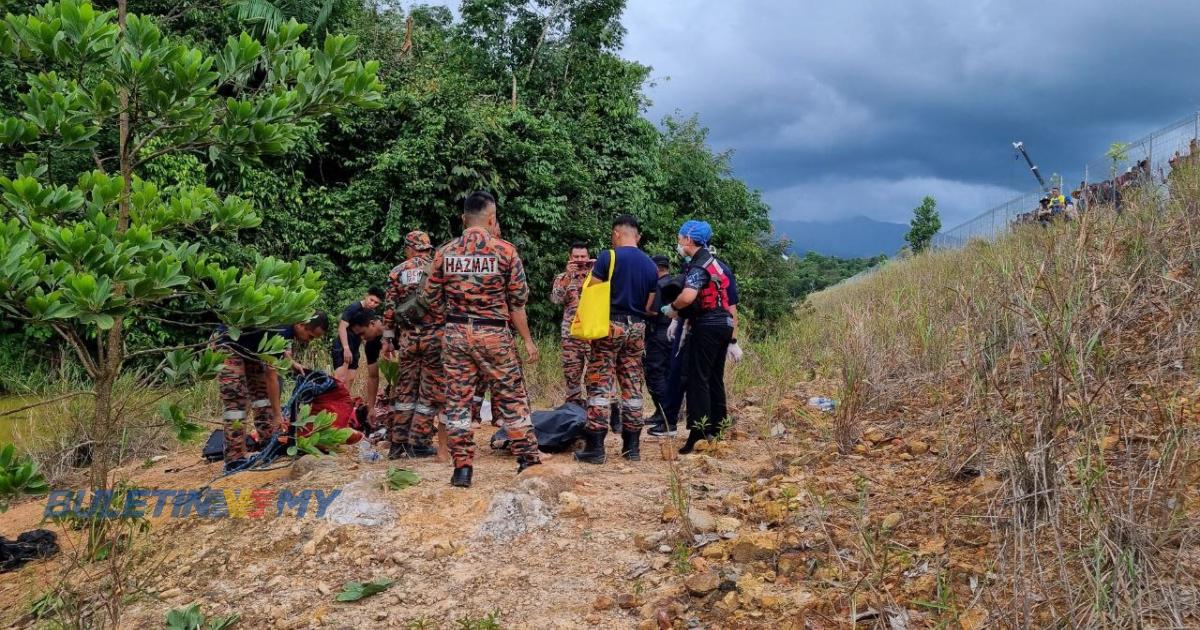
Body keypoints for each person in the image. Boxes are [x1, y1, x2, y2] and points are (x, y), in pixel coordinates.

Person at [423, 191, 542, 487]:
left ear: (463, 219)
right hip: (494, 334)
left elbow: (429, 298)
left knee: (458, 402)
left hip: (456, 334)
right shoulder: (506, 252)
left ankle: (462, 468)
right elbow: (517, 303)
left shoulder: (444, 253)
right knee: (511, 395)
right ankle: (527, 459)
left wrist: (450, 318)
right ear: (492, 219)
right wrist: (527, 339)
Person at [574, 214, 658, 464]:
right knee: (632, 385)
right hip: (637, 327)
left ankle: (596, 448)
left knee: (599, 383)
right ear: (637, 236)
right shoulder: (651, 265)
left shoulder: (608, 256)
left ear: (616, 234)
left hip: (610, 325)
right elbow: (650, 304)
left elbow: (592, 290)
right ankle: (632, 448)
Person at [215, 312, 329, 470]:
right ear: (300, 325)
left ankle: (268, 442)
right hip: (228, 346)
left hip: (251, 350)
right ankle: (234, 457)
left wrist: (292, 363)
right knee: (237, 401)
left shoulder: (288, 325)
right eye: (310, 336)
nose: (308, 341)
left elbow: (277, 349)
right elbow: (271, 375)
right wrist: (277, 415)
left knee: (262, 397)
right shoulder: (281, 328)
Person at [661, 220, 736, 454]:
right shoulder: (716, 264)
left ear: (689, 240)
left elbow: (688, 297)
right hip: (723, 324)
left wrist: (672, 309)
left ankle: (698, 432)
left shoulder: (698, 266)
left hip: (707, 325)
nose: (679, 242)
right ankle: (719, 426)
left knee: (697, 379)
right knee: (714, 377)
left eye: (680, 237)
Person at [653, 251, 741, 438]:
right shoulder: (701, 267)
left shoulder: (709, 269)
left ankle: (701, 429)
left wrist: (733, 340)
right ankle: (710, 426)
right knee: (695, 377)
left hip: (703, 327)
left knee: (698, 378)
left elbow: (730, 307)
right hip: (702, 325)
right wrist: (677, 320)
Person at [380, 230, 443, 460]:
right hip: (435, 338)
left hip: (407, 339)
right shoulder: (438, 268)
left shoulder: (398, 272)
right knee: (429, 392)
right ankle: (418, 443)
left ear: (409, 248)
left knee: (405, 389)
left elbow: (389, 308)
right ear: (427, 248)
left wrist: (388, 340)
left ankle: (398, 444)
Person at [550, 242, 594, 407]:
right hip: (571, 335)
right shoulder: (562, 278)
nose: (580, 260)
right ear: (570, 258)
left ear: (588, 257)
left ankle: (596, 412)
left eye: (583, 257)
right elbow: (555, 300)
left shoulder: (597, 276)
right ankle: (573, 411)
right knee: (572, 374)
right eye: (576, 257)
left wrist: (596, 270)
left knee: (596, 375)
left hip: (593, 334)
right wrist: (568, 277)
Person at [332, 288, 384, 403]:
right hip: (344, 344)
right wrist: (345, 348)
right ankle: (334, 404)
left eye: (376, 303)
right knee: (340, 379)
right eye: (371, 300)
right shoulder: (354, 308)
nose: (372, 304)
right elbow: (341, 327)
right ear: (366, 296)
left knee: (350, 379)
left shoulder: (371, 314)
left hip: (355, 346)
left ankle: (343, 404)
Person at [642, 255, 673, 434]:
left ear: (656, 269)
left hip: (658, 332)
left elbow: (652, 311)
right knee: (667, 373)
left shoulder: (659, 285)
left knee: (655, 373)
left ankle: (665, 414)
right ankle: (660, 411)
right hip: (670, 332)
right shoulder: (673, 283)